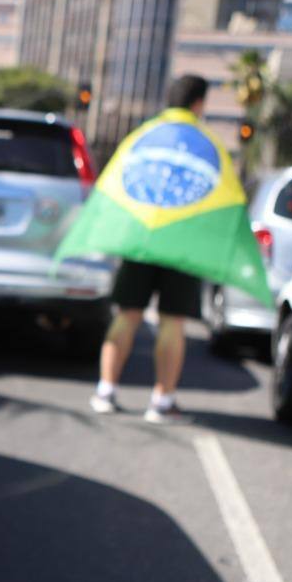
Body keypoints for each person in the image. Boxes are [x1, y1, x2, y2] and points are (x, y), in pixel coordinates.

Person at [89, 75, 212, 424]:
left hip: (141, 237)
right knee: (172, 321)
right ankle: (161, 401)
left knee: (127, 314)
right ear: (199, 104)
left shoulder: (143, 137)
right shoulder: (204, 142)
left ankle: (106, 390)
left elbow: (117, 183)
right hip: (182, 240)